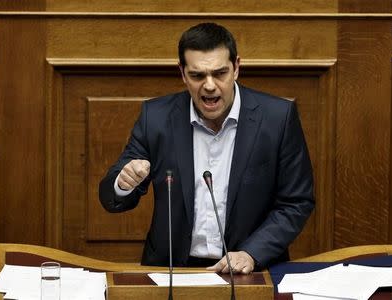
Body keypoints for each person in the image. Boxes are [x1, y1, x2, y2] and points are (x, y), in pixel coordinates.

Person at [99, 22, 314, 274]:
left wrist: (252, 252)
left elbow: (296, 202)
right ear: (182, 73)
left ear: (236, 68)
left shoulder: (277, 118)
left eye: (220, 73)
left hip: (249, 269)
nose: (210, 85)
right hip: (172, 270)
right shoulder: (155, 117)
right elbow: (112, 197)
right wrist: (124, 184)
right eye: (198, 75)